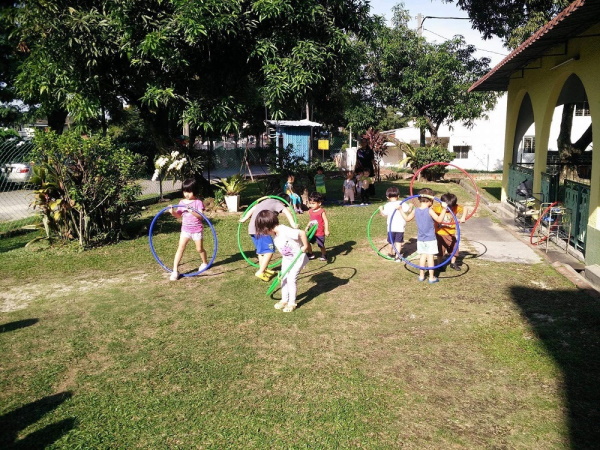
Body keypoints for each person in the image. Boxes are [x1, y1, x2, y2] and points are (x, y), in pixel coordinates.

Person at [255, 209, 309, 312]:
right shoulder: (275, 233)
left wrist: (305, 246)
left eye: (263, 230)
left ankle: (292, 303)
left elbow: (301, 233)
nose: (264, 233)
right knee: (283, 277)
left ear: (267, 227)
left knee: (291, 279)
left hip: (297, 258)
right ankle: (284, 300)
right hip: (287, 259)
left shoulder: (284, 230)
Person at [239, 196, 298, 281]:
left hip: (252, 229)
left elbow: (253, 208)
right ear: (283, 202)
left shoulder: (265, 201)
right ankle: (260, 271)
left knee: (261, 252)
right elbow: (287, 212)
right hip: (262, 230)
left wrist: (244, 218)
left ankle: (264, 271)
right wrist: (293, 224)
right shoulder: (278, 203)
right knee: (269, 251)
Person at [399, 188, 446, 283]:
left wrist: (400, 209)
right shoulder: (429, 210)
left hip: (420, 239)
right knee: (430, 257)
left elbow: (407, 219)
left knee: (422, 256)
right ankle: (431, 277)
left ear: (419, 199)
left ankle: (421, 276)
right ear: (430, 200)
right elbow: (439, 220)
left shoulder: (416, 210)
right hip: (430, 239)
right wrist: (444, 209)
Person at [168, 178, 208, 281]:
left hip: (197, 230)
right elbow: (178, 216)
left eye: (189, 192)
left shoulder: (198, 202)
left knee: (199, 249)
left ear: (194, 191)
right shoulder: (181, 202)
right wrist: (172, 212)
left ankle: (204, 263)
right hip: (185, 230)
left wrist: (191, 211)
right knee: (180, 248)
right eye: (185, 191)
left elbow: (201, 216)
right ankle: (175, 271)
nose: (187, 194)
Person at [434, 192, 468, 271]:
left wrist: (463, 217)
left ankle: (453, 263)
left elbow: (465, 208)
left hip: (451, 233)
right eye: (447, 207)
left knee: (454, 248)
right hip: (440, 233)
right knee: (440, 250)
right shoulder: (437, 207)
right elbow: (429, 211)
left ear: (454, 205)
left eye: (451, 207)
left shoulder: (455, 207)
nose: (449, 209)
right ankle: (439, 264)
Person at [379, 186, 410, 262]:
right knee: (398, 242)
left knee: (391, 241)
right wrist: (411, 206)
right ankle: (397, 256)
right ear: (398, 196)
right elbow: (408, 210)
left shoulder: (387, 205)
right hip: (400, 227)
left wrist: (380, 209)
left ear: (387, 197)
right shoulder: (402, 203)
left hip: (390, 227)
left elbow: (383, 214)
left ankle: (390, 253)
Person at [305, 192, 330, 261]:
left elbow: (325, 221)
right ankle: (311, 254)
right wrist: (307, 227)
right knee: (306, 241)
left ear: (319, 203)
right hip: (312, 231)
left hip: (319, 231)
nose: (311, 205)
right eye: (310, 203)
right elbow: (311, 220)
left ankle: (324, 255)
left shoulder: (321, 211)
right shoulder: (310, 211)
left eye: (313, 203)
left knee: (320, 245)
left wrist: (326, 230)